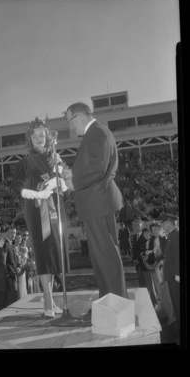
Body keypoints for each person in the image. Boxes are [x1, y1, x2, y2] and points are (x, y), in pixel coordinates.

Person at [63, 103, 127, 299]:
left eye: (70, 121)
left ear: (80, 116)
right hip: (96, 201)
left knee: (105, 255)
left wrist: (72, 181)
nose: (71, 127)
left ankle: (115, 301)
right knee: (101, 256)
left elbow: (96, 168)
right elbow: (93, 166)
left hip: (98, 201)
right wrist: (73, 173)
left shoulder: (97, 132)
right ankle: (109, 298)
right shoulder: (96, 133)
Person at [12, 117, 69, 317]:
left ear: (48, 137)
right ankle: (47, 300)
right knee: (43, 254)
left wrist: (60, 182)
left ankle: (50, 298)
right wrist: (39, 194)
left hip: (55, 209)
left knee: (53, 254)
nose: (38, 138)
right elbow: (17, 187)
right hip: (36, 209)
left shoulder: (55, 157)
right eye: (34, 136)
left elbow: (65, 184)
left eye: (42, 135)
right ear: (30, 139)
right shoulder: (26, 161)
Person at [161, 213, 180, 336]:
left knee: (178, 301)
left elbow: (179, 254)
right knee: (174, 301)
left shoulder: (176, 235)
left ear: (170, 222)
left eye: (164, 222)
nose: (162, 225)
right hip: (171, 275)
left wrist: (178, 274)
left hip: (175, 276)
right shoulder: (171, 235)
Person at [134, 228, 158, 308]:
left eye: (147, 233)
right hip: (144, 266)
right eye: (144, 234)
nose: (146, 235)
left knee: (154, 285)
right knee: (148, 285)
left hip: (154, 265)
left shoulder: (153, 240)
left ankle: (155, 302)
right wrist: (142, 254)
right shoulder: (141, 241)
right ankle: (152, 302)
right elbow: (137, 251)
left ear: (150, 233)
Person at [3, 226, 20, 304]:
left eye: (15, 233)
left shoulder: (12, 244)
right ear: (7, 233)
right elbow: (3, 261)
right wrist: (7, 273)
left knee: (14, 297)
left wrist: (18, 267)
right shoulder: (5, 244)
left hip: (14, 273)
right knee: (10, 299)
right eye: (11, 232)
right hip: (9, 275)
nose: (13, 234)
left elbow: (14, 259)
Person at [132, 219, 147, 287]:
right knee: (140, 280)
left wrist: (139, 258)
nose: (136, 227)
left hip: (145, 262)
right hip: (138, 263)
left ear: (142, 226)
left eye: (138, 225)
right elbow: (134, 249)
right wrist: (134, 258)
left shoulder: (146, 235)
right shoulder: (135, 236)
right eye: (135, 225)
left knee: (147, 281)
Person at [14, 232, 28, 299]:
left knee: (23, 288)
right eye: (16, 238)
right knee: (19, 291)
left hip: (23, 271)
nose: (18, 239)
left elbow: (25, 259)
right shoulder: (13, 248)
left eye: (19, 238)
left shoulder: (22, 248)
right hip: (18, 271)